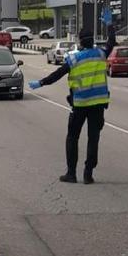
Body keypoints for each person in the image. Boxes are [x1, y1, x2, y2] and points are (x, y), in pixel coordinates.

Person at [28, 21, 116, 184]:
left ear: (81, 42)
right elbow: (111, 41)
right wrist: (109, 25)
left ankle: (71, 173)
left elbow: (57, 74)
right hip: (98, 105)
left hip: (80, 105)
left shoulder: (74, 58)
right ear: (93, 41)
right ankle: (88, 174)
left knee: (72, 138)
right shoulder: (101, 54)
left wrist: (41, 83)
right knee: (93, 139)